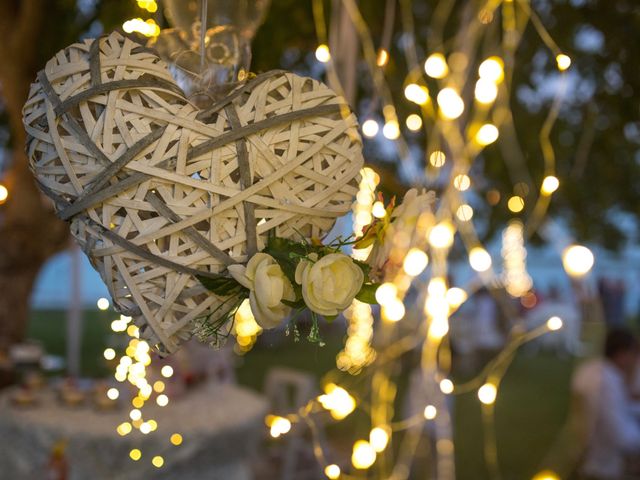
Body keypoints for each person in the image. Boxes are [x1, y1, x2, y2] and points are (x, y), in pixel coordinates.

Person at [572, 328, 640, 479]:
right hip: (606, 464)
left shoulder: (590, 370)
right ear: (622, 354)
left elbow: (617, 409)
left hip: (588, 448)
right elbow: (620, 435)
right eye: (634, 354)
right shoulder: (608, 382)